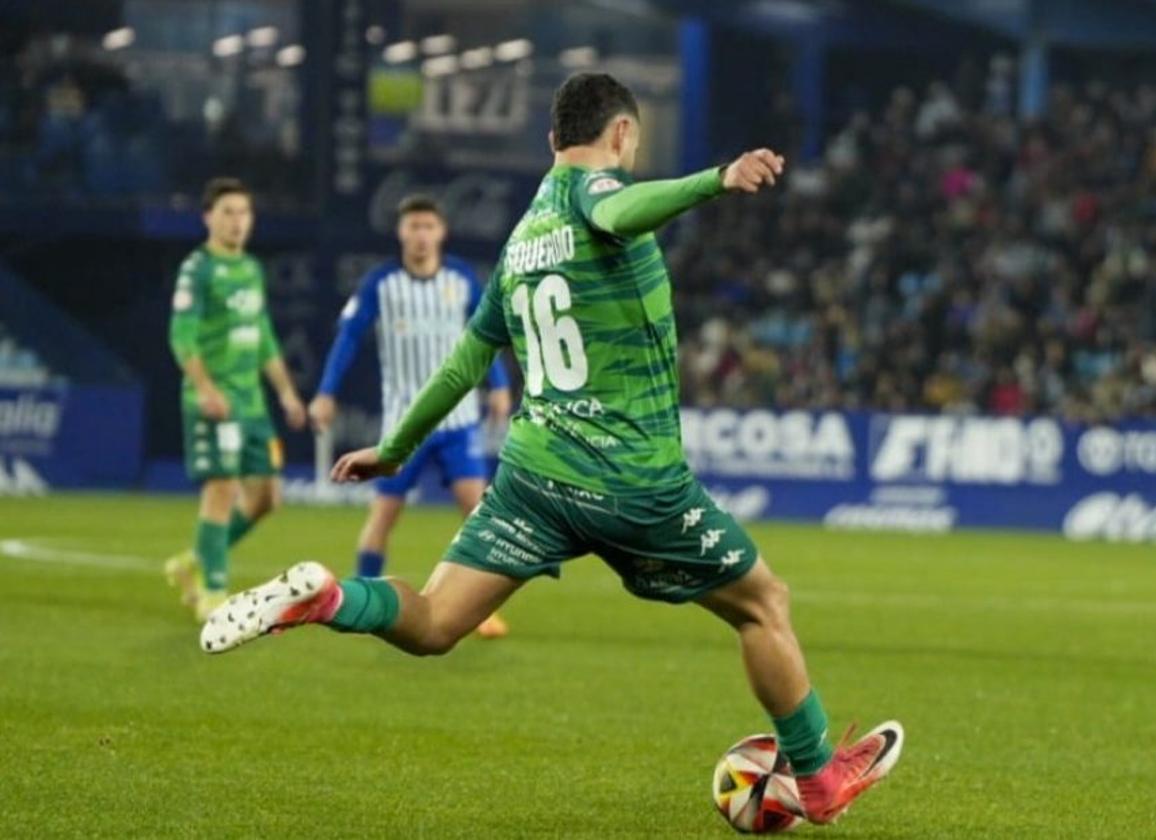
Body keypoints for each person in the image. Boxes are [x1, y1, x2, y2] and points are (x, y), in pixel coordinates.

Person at [199, 74, 902, 824]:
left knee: (435, 623)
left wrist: (397, 446)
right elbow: (618, 206)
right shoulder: (597, 191)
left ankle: (331, 598)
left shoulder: (521, 240)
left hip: (535, 476)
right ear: (625, 135)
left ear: (549, 142)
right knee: (764, 605)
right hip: (631, 479)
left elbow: (466, 362)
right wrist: (715, 180)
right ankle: (818, 777)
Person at [308, 194, 513, 638]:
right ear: (401, 232)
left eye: (428, 226)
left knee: (477, 515)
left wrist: (498, 385)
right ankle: (361, 597)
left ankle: (479, 611)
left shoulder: (461, 279)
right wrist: (326, 393)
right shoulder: (380, 284)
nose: (420, 235)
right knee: (383, 515)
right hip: (404, 428)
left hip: (459, 424)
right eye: (413, 226)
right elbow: (348, 340)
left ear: (441, 232)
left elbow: (485, 335)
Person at [165, 177, 306, 621]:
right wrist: (205, 389)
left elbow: (262, 337)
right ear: (208, 217)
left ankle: (193, 560)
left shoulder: (250, 269)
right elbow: (181, 336)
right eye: (227, 212)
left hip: (252, 406)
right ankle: (213, 590)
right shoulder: (198, 269)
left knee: (266, 499)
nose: (237, 221)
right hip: (214, 403)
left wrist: (286, 392)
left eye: (243, 213)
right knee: (222, 488)